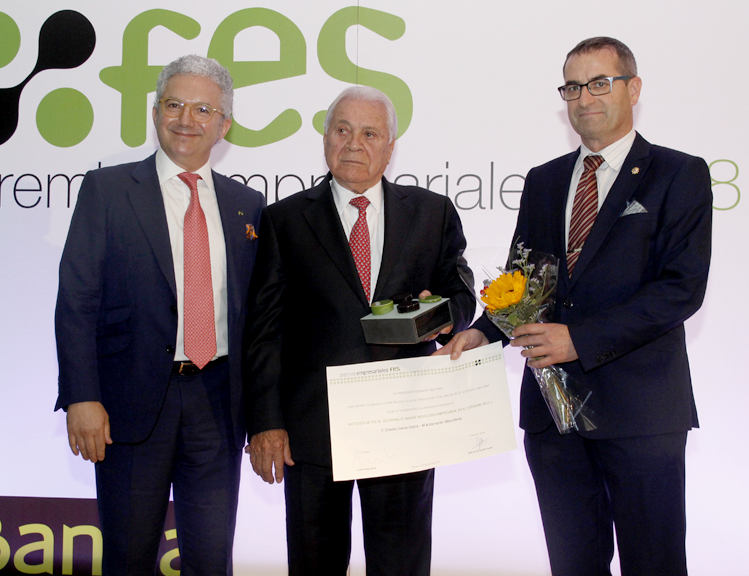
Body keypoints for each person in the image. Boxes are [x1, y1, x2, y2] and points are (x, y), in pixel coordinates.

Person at [438, 37, 712, 576]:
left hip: (641, 415)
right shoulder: (543, 180)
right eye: (572, 86)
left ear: (633, 89)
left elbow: (680, 289)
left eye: (599, 83)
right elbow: (523, 282)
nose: (584, 97)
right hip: (552, 414)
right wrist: (482, 332)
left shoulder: (679, 174)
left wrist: (577, 340)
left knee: (653, 563)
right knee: (572, 563)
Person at [242, 86, 476, 576]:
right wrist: (265, 421)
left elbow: (459, 295)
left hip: (404, 422)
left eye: (370, 133)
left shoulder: (432, 213)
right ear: (325, 139)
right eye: (342, 130)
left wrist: (427, 317)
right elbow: (263, 330)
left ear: (390, 146)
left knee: (402, 565)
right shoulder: (283, 220)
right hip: (311, 431)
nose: (354, 143)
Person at [54, 54, 264, 576]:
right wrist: (82, 395)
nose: (186, 119)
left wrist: (266, 415)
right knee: (128, 558)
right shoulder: (106, 192)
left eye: (202, 109)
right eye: (174, 105)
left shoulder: (248, 205)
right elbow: (76, 300)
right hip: (129, 405)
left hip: (218, 406)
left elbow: (261, 317)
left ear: (224, 125)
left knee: (212, 561)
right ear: (154, 112)